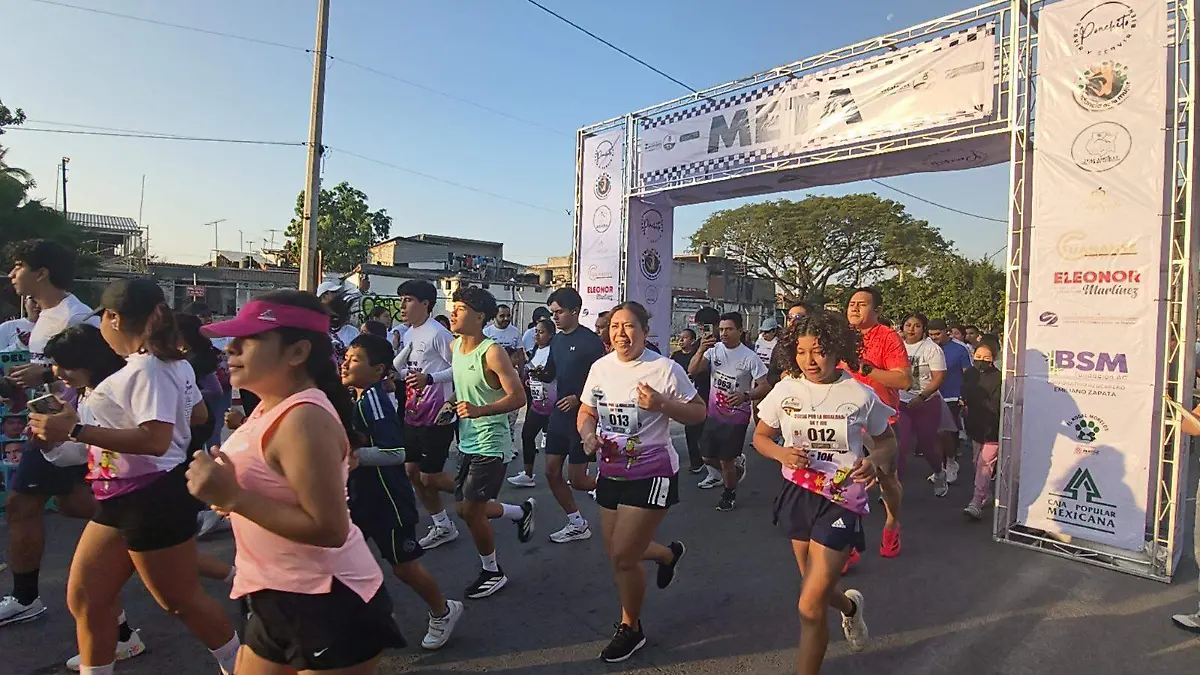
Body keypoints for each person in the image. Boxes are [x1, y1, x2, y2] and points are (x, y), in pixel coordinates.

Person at [29, 279, 240, 675]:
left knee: (179, 600)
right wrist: (65, 434)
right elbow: (196, 417)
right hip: (119, 495)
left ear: (113, 318)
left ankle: (240, 665)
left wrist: (76, 431)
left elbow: (155, 439)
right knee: (86, 598)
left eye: (102, 320)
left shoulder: (149, 368)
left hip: (151, 497)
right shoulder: (161, 366)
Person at [189, 289, 406, 673]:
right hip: (272, 592)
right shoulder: (268, 406)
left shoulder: (304, 418)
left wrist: (234, 497)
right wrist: (229, 495)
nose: (231, 350)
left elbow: (329, 528)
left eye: (249, 339)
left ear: (296, 352)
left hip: (327, 600)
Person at [753, 309, 895, 674]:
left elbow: (887, 441)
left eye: (817, 351)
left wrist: (875, 460)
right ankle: (850, 607)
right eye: (801, 352)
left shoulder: (860, 394)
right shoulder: (785, 390)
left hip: (842, 499)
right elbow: (761, 437)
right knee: (812, 589)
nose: (809, 361)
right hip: (798, 494)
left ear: (836, 349)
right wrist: (782, 453)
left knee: (809, 606)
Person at [578, 301, 704, 662]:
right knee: (619, 552)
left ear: (645, 332)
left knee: (622, 556)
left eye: (629, 326)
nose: (621, 333)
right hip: (611, 470)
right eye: (615, 326)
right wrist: (588, 435)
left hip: (653, 471)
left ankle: (630, 627)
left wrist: (663, 404)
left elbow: (698, 412)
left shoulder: (664, 369)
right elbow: (587, 413)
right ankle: (667, 554)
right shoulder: (600, 368)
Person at [0, 240, 106, 628]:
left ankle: (26, 598)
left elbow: (103, 366)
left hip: (70, 430)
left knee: (21, 504)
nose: (12, 274)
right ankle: (147, 528)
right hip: (47, 430)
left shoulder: (77, 315)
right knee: (72, 504)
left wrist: (44, 374)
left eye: (17, 266)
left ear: (41, 272)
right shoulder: (43, 317)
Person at [341, 333, 464, 649]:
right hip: (357, 498)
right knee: (341, 560)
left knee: (404, 566)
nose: (345, 364)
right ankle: (366, 619)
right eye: (346, 357)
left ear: (378, 369)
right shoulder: (354, 396)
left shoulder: (373, 402)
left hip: (387, 500)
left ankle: (443, 610)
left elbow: (395, 452)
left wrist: (354, 458)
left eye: (355, 360)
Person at [447, 286, 535, 598]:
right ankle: (519, 512)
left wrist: (480, 410)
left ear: (479, 316)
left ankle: (492, 571)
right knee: (463, 508)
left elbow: (518, 397)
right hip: (467, 440)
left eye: (460, 308)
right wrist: (452, 404)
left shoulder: (492, 351)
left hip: (492, 443)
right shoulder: (456, 346)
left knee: (472, 511)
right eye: (453, 306)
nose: (453, 312)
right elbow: (467, 388)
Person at [530, 288, 606, 543]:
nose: (555, 318)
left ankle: (620, 487)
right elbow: (551, 373)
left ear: (575, 311)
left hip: (582, 418)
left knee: (579, 480)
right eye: (552, 313)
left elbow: (601, 382)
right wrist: (536, 373)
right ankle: (577, 523)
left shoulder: (590, 342)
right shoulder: (558, 340)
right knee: (551, 472)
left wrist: (578, 397)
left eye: (559, 312)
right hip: (559, 417)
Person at [392, 280, 460, 550]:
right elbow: (404, 371)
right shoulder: (409, 334)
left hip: (437, 416)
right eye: (401, 299)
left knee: (430, 476)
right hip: (413, 414)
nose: (402, 305)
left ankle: (477, 492)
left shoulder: (438, 334)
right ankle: (442, 524)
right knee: (412, 471)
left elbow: (460, 369)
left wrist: (430, 378)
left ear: (425, 304)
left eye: (408, 299)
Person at [844, 287, 911, 561]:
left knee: (886, 479)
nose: (855, 309)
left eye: (862, 304)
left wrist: (865, 369)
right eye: (851, 304)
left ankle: (892, 521)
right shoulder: (841, 337)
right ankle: (844, 543)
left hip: (880, 421)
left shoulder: (888, 337)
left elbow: (904, 381)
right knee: (842, 479)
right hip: (845, 419)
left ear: (877, 310)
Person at [689, 312, 769, 510]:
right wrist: (700, 350)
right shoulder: (713, 350)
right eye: (722, 329)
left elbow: (765, 386)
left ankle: (729, 493)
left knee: (725, 461)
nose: (724, 333)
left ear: (740, 331)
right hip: (714, 413)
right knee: (706, 456)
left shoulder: (750, 357)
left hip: (737, 417)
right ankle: (736, 466)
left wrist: (746, 395)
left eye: (729, 329)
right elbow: (692, 371)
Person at [899, 313, 949, 497]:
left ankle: (939, 472)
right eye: (908, 325)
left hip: (926, 402)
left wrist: (922, 396)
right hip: (901, 402)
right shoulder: (897, 346)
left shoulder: (932, 349)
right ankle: (893, 488)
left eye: (917, 325)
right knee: (900, 445)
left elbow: (939, 377)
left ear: (923, 329)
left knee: (928, 445)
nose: (911, 329)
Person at [509, 317, 556, 488]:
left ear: (550, 335)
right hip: (537, 402)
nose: (537, 335)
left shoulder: (554, 351)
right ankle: (528, 475)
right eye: (536, 331)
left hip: (553, 404)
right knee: (527, 435)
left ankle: (558, 474)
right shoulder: (536, 349)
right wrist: (531, 380)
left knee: (555, 442)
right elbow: (531, 370)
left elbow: (550, 375)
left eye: (541, 332)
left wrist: (539, 375)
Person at [928, 318, 972, 485]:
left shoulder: (960, 349)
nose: (934, 338)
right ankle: (940, 468)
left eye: (937, 334)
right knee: (933, 435)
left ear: (946, 331)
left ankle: (951, 463)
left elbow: (967, 374)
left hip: (953, 396)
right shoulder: (927, 347)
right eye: (931, 335)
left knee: (946, 432)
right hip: (931, 395)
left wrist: (965, 397)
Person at [961, 340, 1001, 520]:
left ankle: (976, 502)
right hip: (975, 425)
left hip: (992, 427)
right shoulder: (970, 373)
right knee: (977, 462)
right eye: (977, 357)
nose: (981, 361)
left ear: (994, 358)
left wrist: (978, 400)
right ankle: (985, 494)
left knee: (984, 465)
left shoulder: (999, 378)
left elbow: (996, 405)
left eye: (986, 358)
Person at [670, 328, 708, 474]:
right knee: (690, 431)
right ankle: (696, 461)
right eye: (680, 337)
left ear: (692, 340)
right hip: (683, 399)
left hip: (699, 396)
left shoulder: (699, 356)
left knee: (701, 431)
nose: (681, 340)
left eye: (685, 338)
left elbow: (696, 372)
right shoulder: (676, 356)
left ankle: (707, 460)